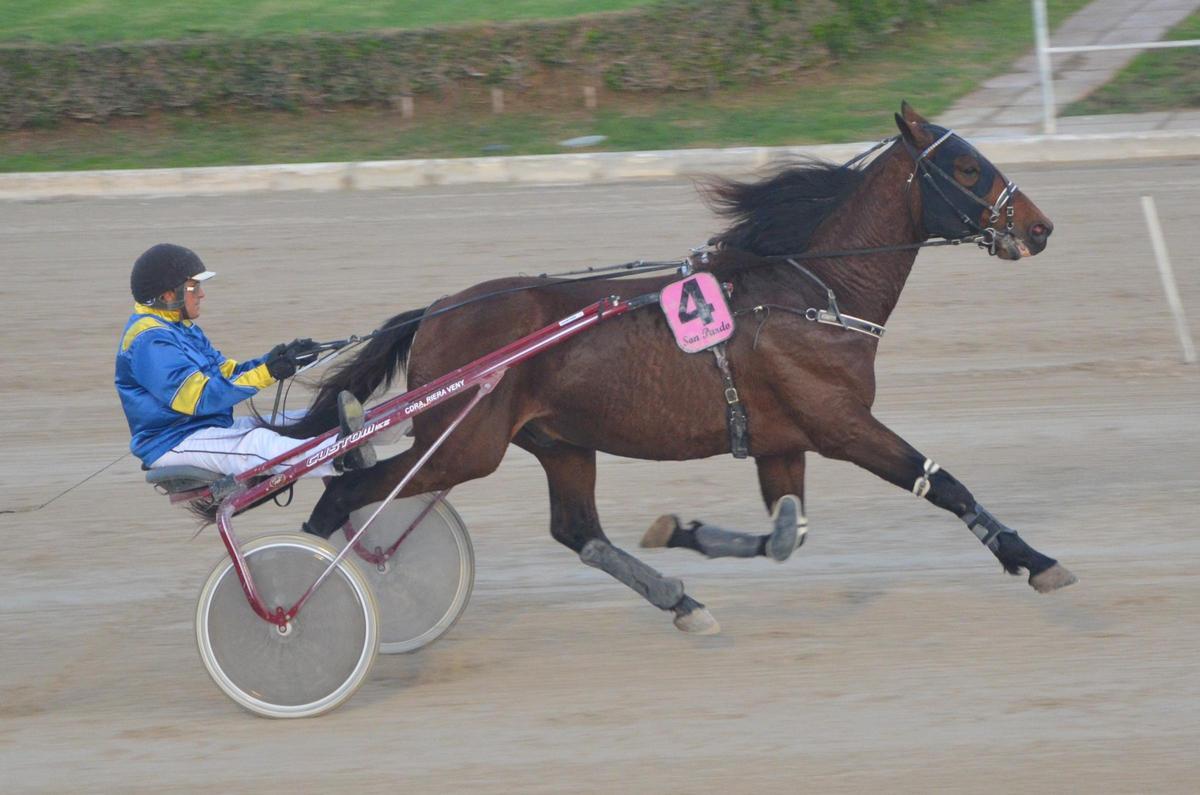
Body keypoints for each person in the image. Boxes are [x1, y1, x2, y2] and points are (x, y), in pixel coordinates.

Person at [115, 243, 375, 478]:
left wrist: (281, 360)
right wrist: (268, 372)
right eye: (194, 287)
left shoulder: (179, 328)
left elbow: (227, 373)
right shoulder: (149, 340)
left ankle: (397, 425)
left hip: (207, 429)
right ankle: (340, 456)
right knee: (257, 443)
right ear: (168, 295)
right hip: (173, 442)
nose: (201, 295)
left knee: (312, 418)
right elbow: (200, 398)